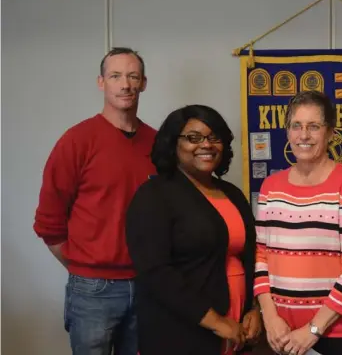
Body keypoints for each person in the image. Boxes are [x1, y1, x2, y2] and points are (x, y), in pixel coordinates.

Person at [33, 47, 155, 355]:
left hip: (148, 286)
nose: (125, 84)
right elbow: (49, 222)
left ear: (143, 83)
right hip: (92, 291)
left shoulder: (158, 143)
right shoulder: (77, 141)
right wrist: (83, 267)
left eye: (132, 76)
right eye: (115, 76)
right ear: (101, 82)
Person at [125, 104, 262, 355]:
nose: (206, 145)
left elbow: (251, 256)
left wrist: (254, 308)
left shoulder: (232, 194)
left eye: (214, 137)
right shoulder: (154, 196)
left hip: (237, 328)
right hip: (182, 331)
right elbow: (156, 273)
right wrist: (216, 322)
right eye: (193, 138)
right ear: (173, 144)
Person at [254, 91, 342, 355]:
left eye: (313, 126)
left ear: (330, 132)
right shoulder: (270, 187)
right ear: (287, 132)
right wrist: (269, 316)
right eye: (296, 126)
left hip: (340, 336)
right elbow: (260, 256)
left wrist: (313, 329)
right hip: (282, 334)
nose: (304, 135)